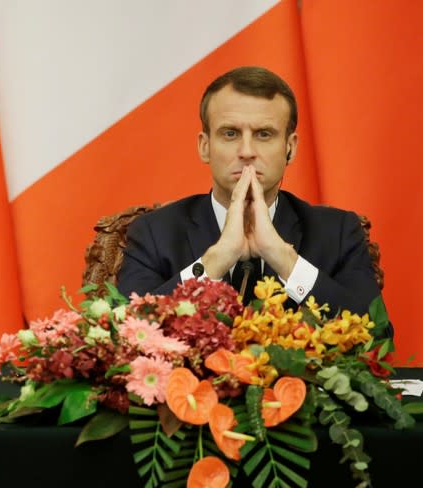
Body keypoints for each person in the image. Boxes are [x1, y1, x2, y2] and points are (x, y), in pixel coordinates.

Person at [116, 66, 383, 316]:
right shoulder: (154, 232)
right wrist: (214, 261)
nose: (246, 152)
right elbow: (126, 333)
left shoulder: (337, 233)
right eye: (230, 134)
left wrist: (284, 259)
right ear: (205, 146)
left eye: (264, 134)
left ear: (290, 148)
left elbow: (376, 336)